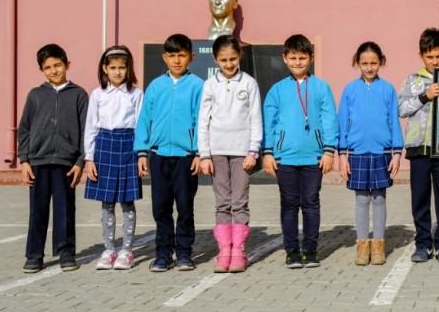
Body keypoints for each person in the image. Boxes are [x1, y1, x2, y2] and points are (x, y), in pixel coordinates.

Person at [262, 34, 338, 269]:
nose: (297, 62)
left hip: (314, 157)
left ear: (311, 58)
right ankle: (292, 252)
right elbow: (269, 123)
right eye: (293, 58)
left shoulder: (321, 87)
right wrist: (268, 152)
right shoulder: (277, 90)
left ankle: (311, 250)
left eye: (302, 58)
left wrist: (329, 151)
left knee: (311, 203)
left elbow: (329, 120)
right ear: (285, 58)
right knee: (289, 204)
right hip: (284, 157)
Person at [135, 33, 205, 272]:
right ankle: (163, 254)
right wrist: (142, 152)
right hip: (159, 155)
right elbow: (144, 120)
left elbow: (202, 121)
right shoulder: (156, 86)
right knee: (161, 207)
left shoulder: (198, 86)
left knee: (185, 207)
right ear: (164, 57)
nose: (177, 60)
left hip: (187, 157)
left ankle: (184, 253)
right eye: (172, 55)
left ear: (191, 57)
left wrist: (199, 153)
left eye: (182, 55)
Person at [18, 44, 88, 273]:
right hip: (38, 161)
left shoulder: (79, 94)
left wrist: (80, 162)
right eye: (48, 67)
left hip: (66, 163)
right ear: (42, 70)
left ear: (67, 65)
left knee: (65, 210)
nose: (54, 70)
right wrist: (24, 160)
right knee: (37, 211)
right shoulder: (35, 95)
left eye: (58, 65)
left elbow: (86, 130)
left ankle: (66, 253)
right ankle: (34, 256)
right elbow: (24, 130)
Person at [197, 35, 262, 273]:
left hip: (242, 153)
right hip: (216, 153)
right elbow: (203, 121)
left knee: (240, 202)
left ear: (240, 56)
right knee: (222, 202)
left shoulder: (249, 83)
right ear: (215, 59)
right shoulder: (209, 85)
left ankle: (239, 251)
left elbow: (256, 118)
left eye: (233, 58)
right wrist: (204, 155)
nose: (229, 64)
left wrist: (253, 150)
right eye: (223, 60)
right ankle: (225, 250)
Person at [338, 42, 403, 266]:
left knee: (379, 198)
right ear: (357, 63)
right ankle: (362, 246)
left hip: (381, 152)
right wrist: (342, 156)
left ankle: (378, 247)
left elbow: (394, 121)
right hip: (356, 153)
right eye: (364, 63)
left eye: (373, 63)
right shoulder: (349, 90)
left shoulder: (388, 89)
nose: (369, 67)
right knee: (362, 199)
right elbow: (342, 123)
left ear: (381, 62)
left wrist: (396, 154)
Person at [83, 45, 144, 271]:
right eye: (113, 68)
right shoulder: (97, 94)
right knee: (107, 202)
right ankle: (109, 249)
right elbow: (91, 127)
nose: (117, 72)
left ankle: (127, 250)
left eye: (122, 67)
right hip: (104, 145)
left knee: (127, 201)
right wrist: (89, 158)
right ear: (105, 69)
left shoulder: (136, 94)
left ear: (129, 69)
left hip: (128, 145)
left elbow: (140, 126)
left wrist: (141, 154)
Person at [399, 28, 439, 264]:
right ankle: (423, 243)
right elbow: (401, 109)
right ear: (421, 56)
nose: (434, 61)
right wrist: (425, 95)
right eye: (429, 57)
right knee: (420, 199)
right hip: (418, 149)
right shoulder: (412, 80)